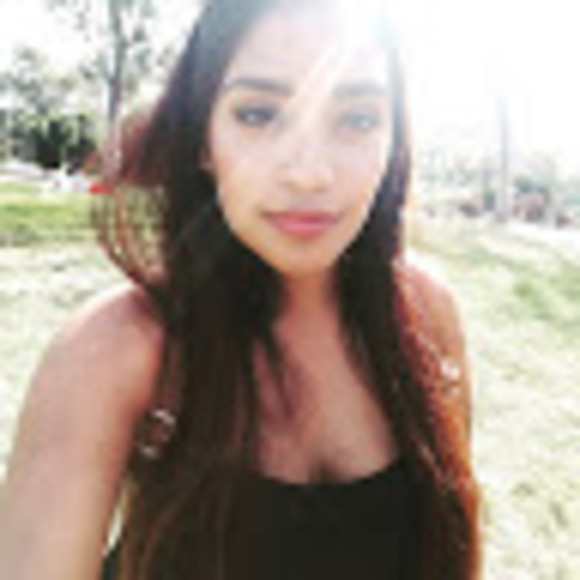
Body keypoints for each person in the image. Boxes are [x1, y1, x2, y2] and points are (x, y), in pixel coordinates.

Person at [0, 0, 482, 578]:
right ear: (203, 138)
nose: (309, 173)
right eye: (258, 114)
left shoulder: (426, 319)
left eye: (357, 119)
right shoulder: (115, 352)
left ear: (393, 140)